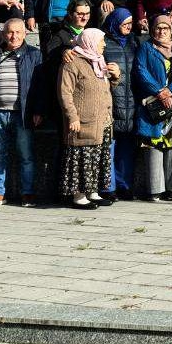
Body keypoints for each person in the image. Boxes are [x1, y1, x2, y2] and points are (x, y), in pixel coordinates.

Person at [0, 18, 46, 207]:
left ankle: (27, 193)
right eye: (9, 32)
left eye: (17, 32)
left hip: (23, 113)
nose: (13, 36)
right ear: (3, 34)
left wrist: (39, 110)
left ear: (25, 34)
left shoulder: (34, 55)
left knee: (26, 155)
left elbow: (40, 87)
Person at [59, 27, 120, 209]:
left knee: (99, 157)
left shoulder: (99, 60)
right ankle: (79, 196)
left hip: (103, 120)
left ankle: (93, 192)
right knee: (82, 157)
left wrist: (116, 76)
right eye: (101, 41)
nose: (104, 44)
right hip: (83, 121)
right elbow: (65, 93)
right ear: (90, 42)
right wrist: (73, 117)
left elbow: (105, 87)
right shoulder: (72, 62)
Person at [132, 13, 172, 201]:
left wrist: (170, 90)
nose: (162, 31)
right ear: (152, 30)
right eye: (158, 28)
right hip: (153, 103)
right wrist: (159, 91)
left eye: (165, 28)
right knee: (154, 145)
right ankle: (155, 190)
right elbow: (140, 70)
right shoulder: (146, 47)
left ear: (171, 30)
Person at [101, 9, 137, 200]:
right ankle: (108, 187)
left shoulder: (133, 42)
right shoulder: (104, 43)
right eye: (125, 23)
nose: (128, 27)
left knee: (126, 148)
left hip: (131, 101)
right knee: (109, 146)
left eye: (130, 23)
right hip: (111, 100)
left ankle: (124, 185)